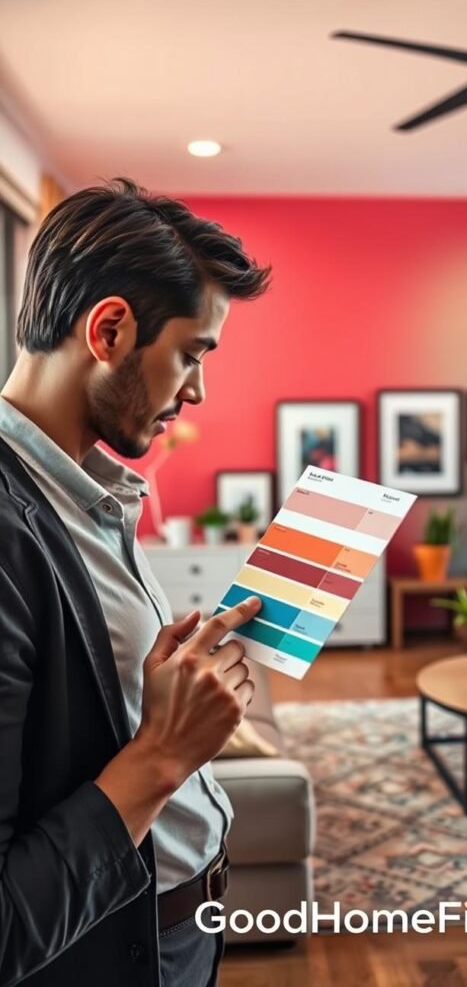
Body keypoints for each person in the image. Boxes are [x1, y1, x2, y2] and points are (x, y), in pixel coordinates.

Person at [0, 177, 271, 987]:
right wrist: (162, 754)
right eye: (192, 353)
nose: (197, 391)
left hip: (177, 936)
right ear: (110, 329)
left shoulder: (91, 493)